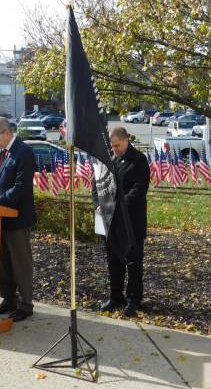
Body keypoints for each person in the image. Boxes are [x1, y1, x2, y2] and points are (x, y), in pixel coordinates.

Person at [0, 117, 37, 322]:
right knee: (2, 263)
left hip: (17, 220)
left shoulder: (24, 153)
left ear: (6, 132)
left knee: (20, 263)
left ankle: (26, 304)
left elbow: (21, 187)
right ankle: (9, 298)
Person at [93, 126, 150, 317]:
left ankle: (134, 299)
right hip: (109, 221)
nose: (114, 150)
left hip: (131, 220)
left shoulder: (139, 160)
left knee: (133, 261)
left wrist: (115, 206)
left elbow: (138, 190)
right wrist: (98, 204)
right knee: (114, 260)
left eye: (117, 146)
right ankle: (116, 296)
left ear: (125, 140)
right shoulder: (109, 159)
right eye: (112, 146)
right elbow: (97, 185)